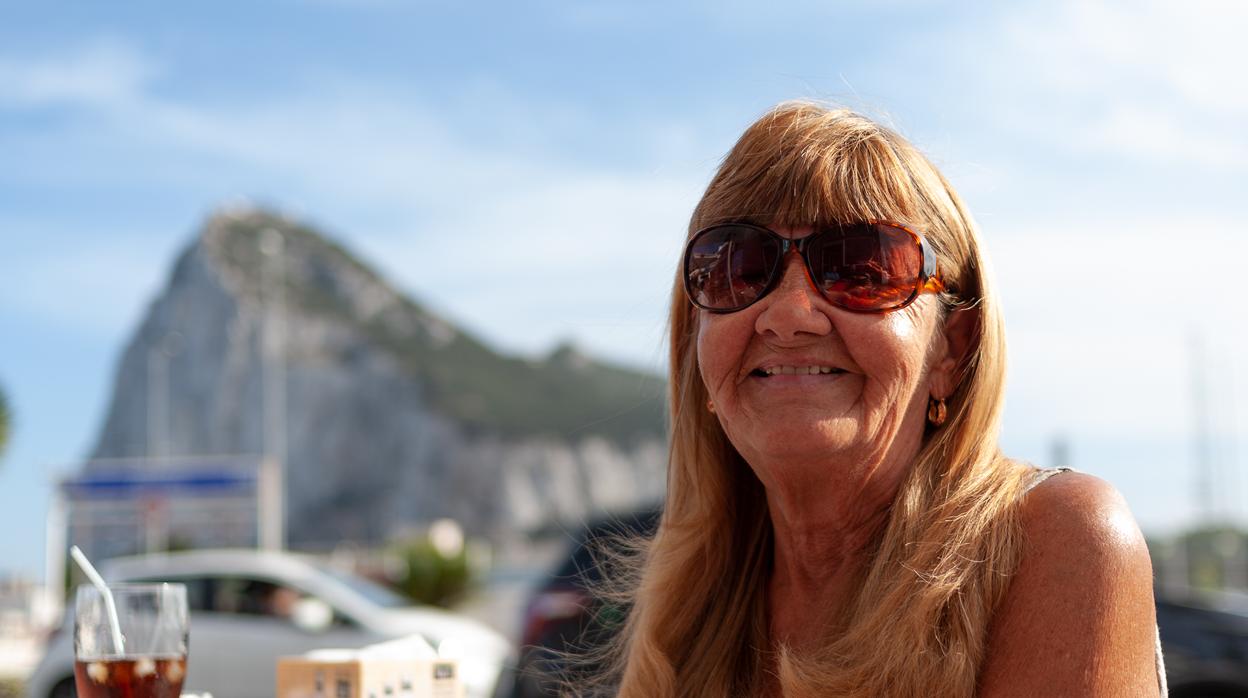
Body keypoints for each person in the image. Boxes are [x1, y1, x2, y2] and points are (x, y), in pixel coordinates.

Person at [599, 102, 1164, 697]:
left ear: (952, 349)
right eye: (738, 267)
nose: (789, 316)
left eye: (862, 269)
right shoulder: (687, 611)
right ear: (698, 345)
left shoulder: (1054, 540)